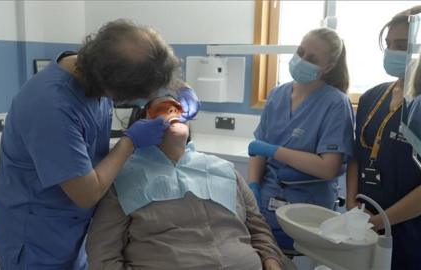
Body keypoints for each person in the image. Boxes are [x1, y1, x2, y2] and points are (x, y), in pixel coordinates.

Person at [0, 19, 200, 270]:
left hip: (76, 230)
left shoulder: (94, 65)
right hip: (38, 240)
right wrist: (130, 142)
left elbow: (144, 61)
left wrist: (176, 85)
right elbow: (87, 193)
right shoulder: (51, 107)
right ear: (112, 88)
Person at [86, 96, 286, 270]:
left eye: (178, 108)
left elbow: (259, 229)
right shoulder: (122, 180)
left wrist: (272, 261)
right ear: (143, 123)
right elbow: (102, 253)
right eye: (162, 108)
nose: (173, 111)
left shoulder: (224, 170)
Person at [248, 28, 355, 250]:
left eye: (312, 59)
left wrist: (274, 151)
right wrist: (253, 186)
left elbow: (328, 168)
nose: (301, 60)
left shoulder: (335, 104)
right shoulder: (277, 95)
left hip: (308, 208)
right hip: (266, 200)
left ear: (328, 67)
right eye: (300, 52)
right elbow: (258, 151)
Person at [346, 7, 421, 270]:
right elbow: (357, 156)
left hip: (410, 232)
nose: (391, 52)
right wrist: (352, 203)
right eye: (388, 45)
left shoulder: (418, 106)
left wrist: (379, 221)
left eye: (402, 45)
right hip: (362, 222)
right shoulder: (371, 97)